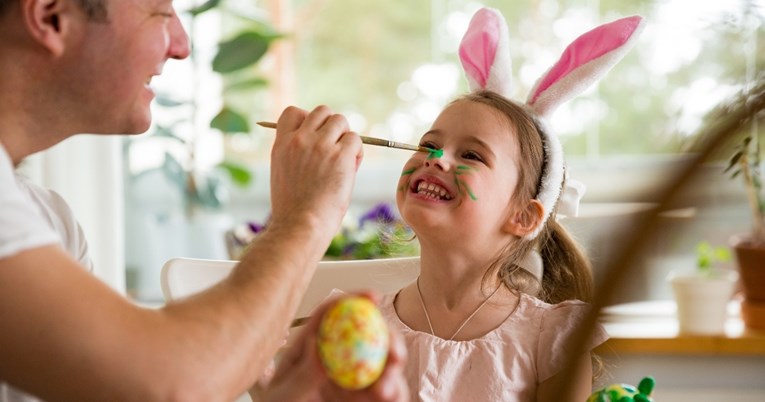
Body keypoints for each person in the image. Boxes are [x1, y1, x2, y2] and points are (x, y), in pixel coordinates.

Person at [0, 0, 408, 401]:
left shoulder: (51, 220)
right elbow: (170, 381)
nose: (182, 45)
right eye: (161, 12)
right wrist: (307, 216)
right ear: (51, 17)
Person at [377, 8, 645, 402]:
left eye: (471, 155)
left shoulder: (552, 339)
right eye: (428, 144)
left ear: (522, 216)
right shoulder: (362, 324)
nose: (435, 158)